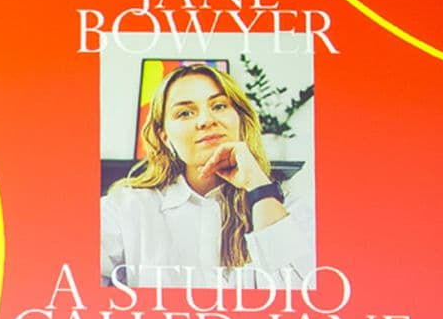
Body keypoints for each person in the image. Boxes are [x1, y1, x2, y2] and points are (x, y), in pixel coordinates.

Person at [101, 63, 313, 289]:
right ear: (165, 137)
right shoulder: (124, 209)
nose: (205, 120)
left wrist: (259, 186)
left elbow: (304, 298)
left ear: (240, 120)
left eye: (219, 106)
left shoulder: (292, 212)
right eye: (185, 113)